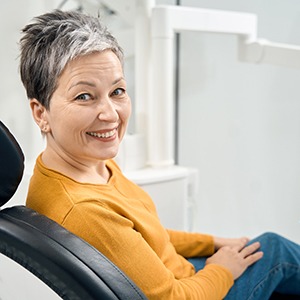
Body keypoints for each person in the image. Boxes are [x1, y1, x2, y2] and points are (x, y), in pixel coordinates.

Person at [20, 10, 299, 299]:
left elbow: (144, 237)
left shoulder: (81, 167)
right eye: (84, 96)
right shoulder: (85, 210)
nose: (110, 114)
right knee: (274, 249)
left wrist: (212, 243)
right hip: (187, 291)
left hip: (183, 274)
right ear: (41, 113)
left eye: (117, 91)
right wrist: (223, 269)